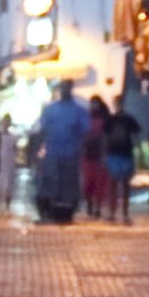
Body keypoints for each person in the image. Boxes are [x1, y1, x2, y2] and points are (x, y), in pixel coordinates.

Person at [34, 83, 90, 225]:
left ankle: (67, 212)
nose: (65, 91)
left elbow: (86, 132)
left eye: (67, 88)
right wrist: (38, 150)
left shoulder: (79, 111)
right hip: (53, 153)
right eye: (62, 88)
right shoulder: (51, 109)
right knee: (50, 182)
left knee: (69, 185)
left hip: (71, 154)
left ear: (70, 90)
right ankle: (49, 210)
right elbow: (42, 130)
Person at [101, 104, 143, 225]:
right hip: (116, 154)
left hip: (124, 155)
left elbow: (136, 135)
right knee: (115, 184)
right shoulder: (113, 120)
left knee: (123, 185)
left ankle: (123, 213)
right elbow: (105, 137)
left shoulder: (128, 120)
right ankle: (115, 212)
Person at [81, 96, 113, 220]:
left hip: (100, 155)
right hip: (88, 155)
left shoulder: (105, 119)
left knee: (100, 184)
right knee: (88, 183)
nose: (93, 106)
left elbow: (107, 137)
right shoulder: (86, 118)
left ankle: (97, 207)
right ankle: (90, 206)